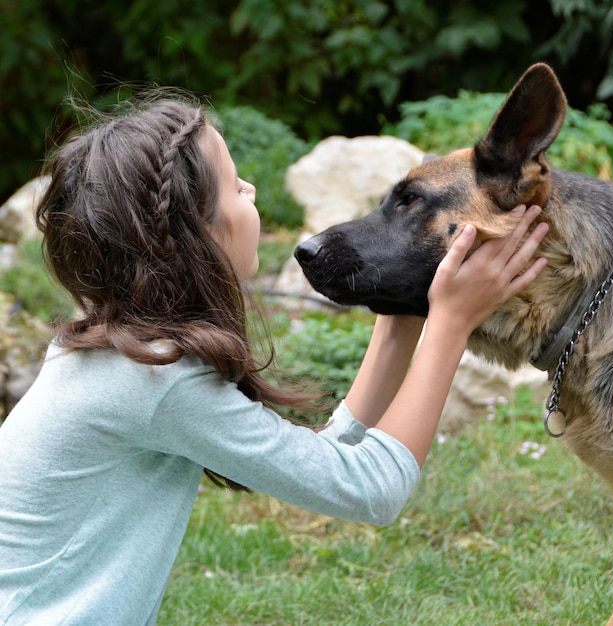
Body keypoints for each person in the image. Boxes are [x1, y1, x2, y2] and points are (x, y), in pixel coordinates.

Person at [0, 95, 548, 625]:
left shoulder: (122, 355)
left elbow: (331, 459)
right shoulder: (152, 380)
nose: (253, 188)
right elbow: (371, 489)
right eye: (237, 186)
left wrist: (403, 303)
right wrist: (450, 323)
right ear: (199, 232)